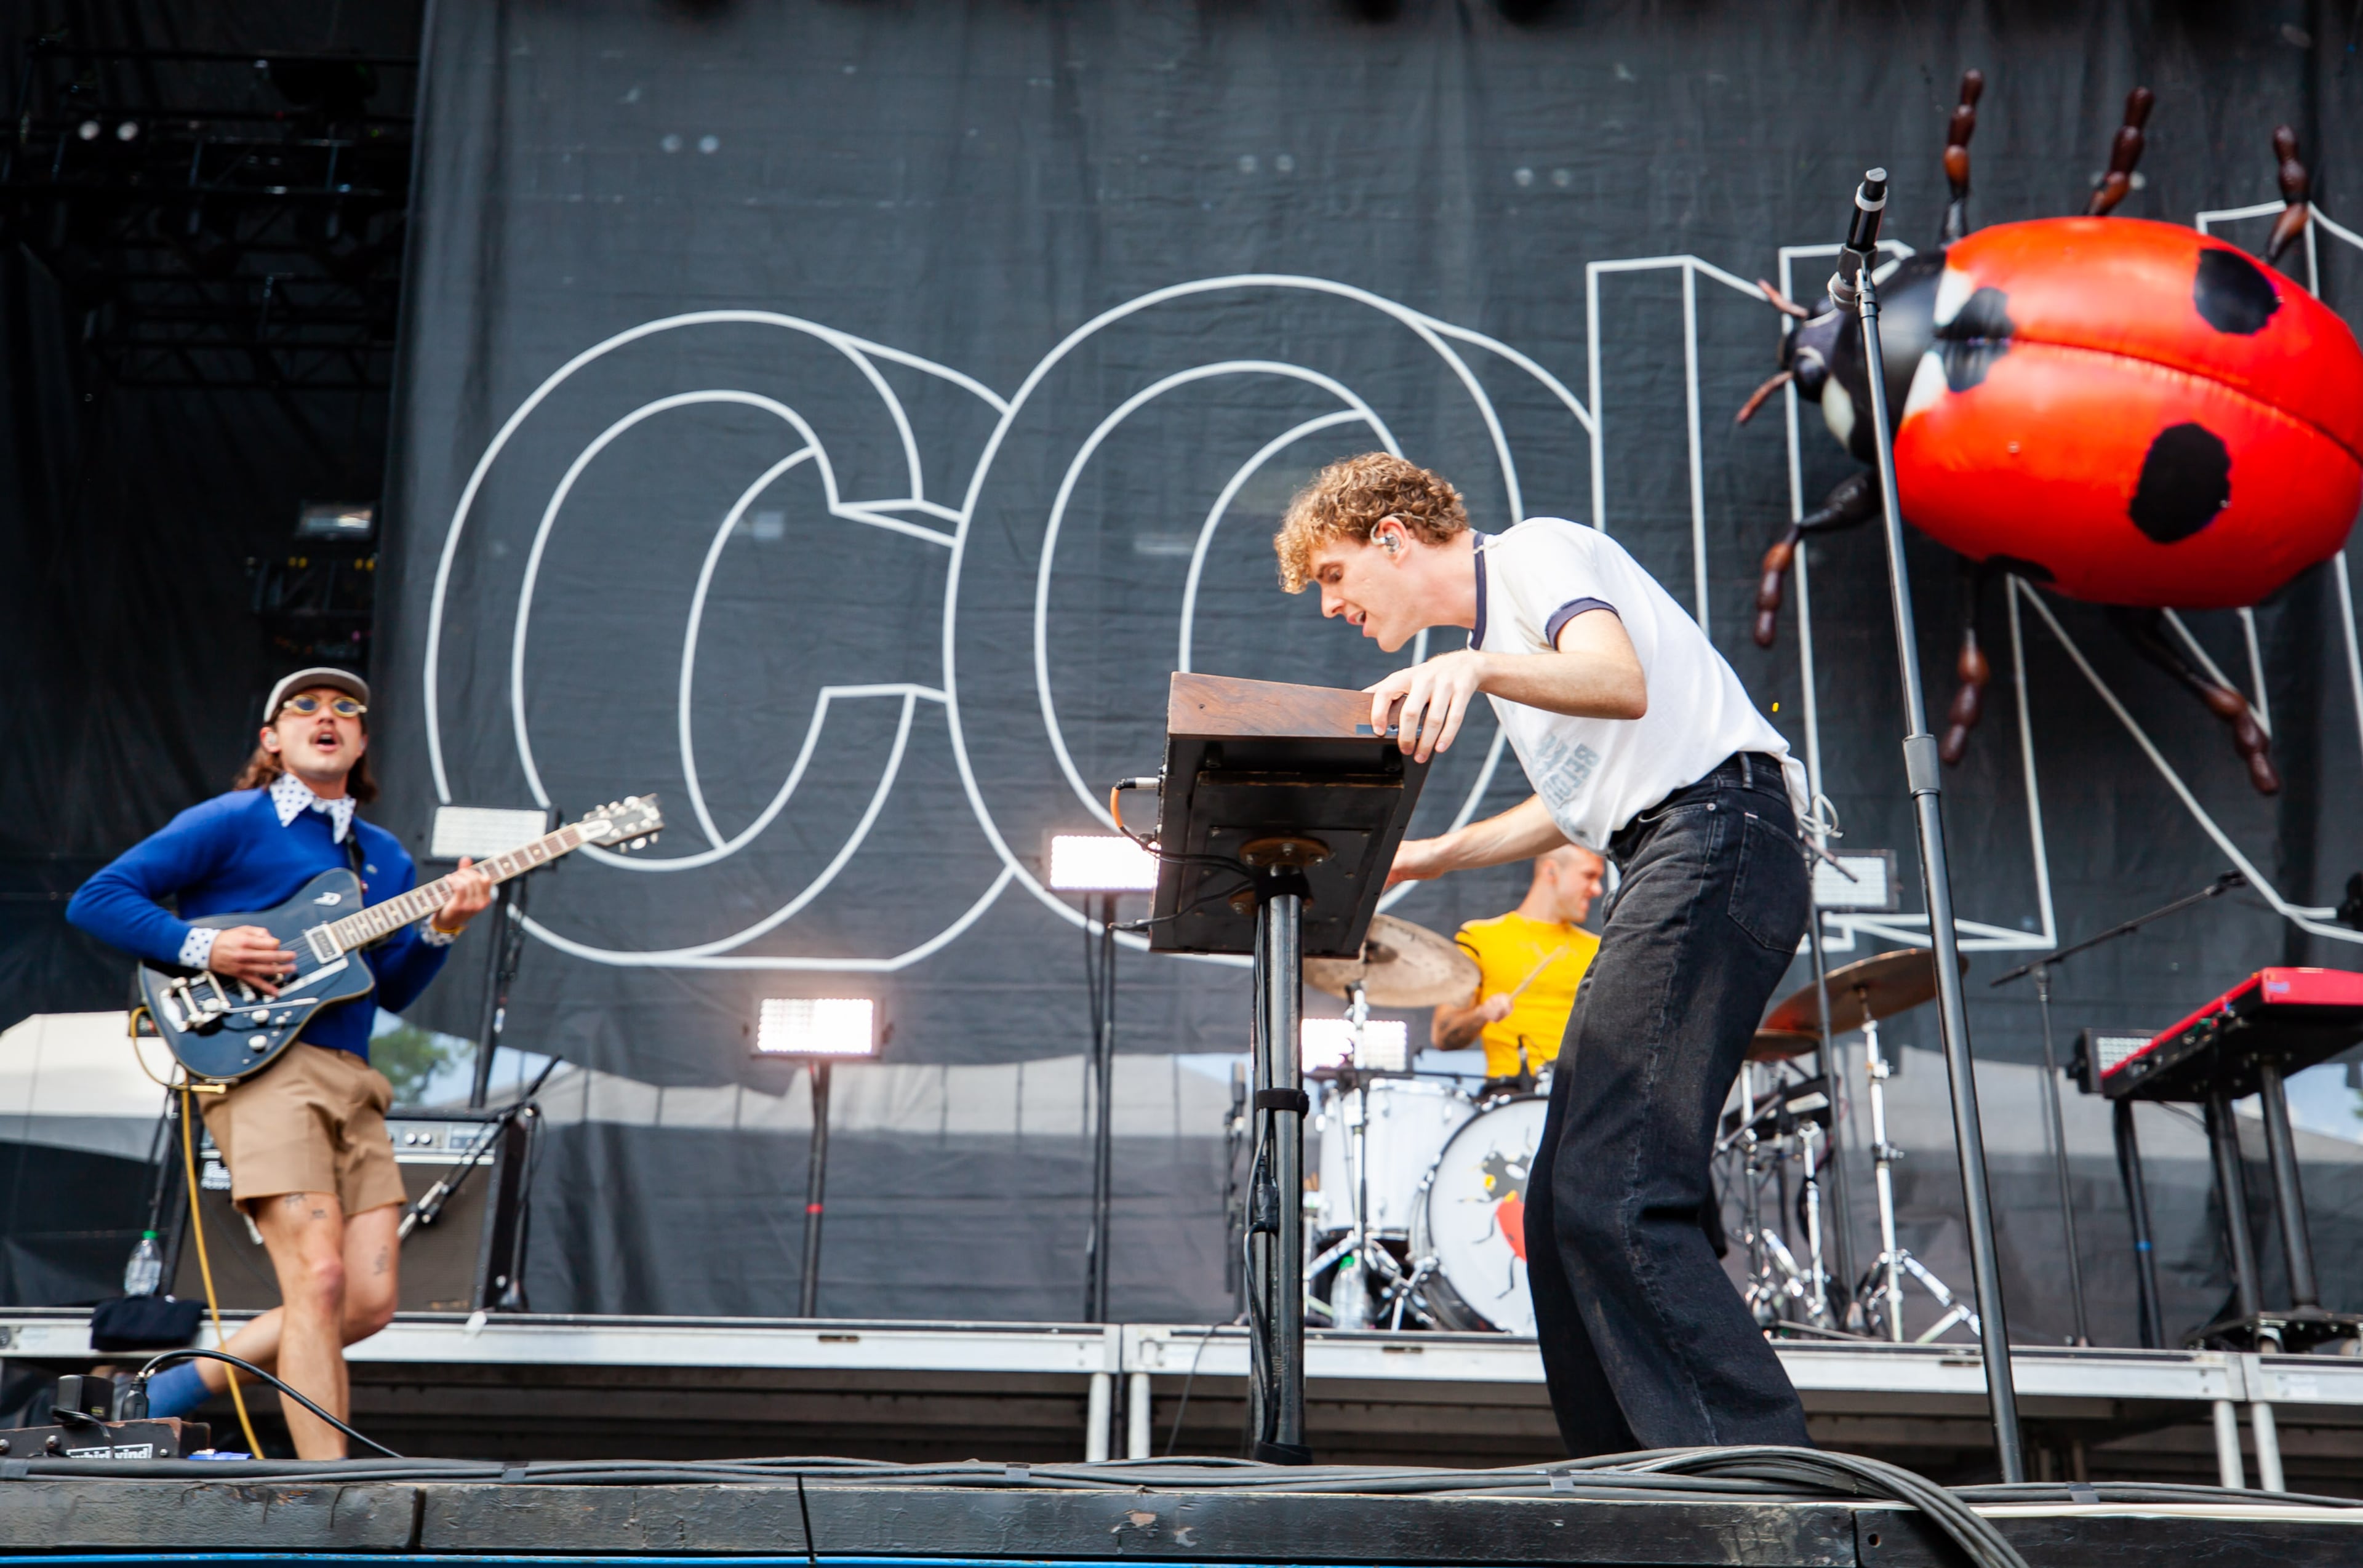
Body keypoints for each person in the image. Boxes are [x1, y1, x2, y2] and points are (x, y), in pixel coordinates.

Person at [1276, 452, 1811, 1455]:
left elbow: (1620, 680)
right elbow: (1573, 805)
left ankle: (1756, 1478)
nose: (1329, 606)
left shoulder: (1533, 554)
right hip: (1672, 845)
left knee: (1617, 1182)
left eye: (1335, 574)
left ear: (1391, 535)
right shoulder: (1505, 645)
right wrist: (1434, 855)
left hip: (1718, 836)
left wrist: (1473, 666)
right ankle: (1632, 1472)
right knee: (1569, 1197)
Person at [67, 668, 492, 1457]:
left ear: (362, 741)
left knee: (365, 1303)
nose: (325, 715)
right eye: (303, 705)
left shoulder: (386, 857)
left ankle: (171, 1387)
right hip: (267, 1070)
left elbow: (386, 987)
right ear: (272, 739)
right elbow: (98, 896)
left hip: (355, 1079)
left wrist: (442, 930)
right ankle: (327, 1495)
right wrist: (206, 944)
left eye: (345, 708)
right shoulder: (233, 819)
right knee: (319, 1282)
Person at [1431, 846, 1605, 1095]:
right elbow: (1443, 1036)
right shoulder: (1480, 938)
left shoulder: (1599, 949)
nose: (1597, 889)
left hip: (1582, 1094)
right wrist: (1483, 1013)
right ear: (1552, 871)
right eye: (1589, 876)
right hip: (1509, 1094)